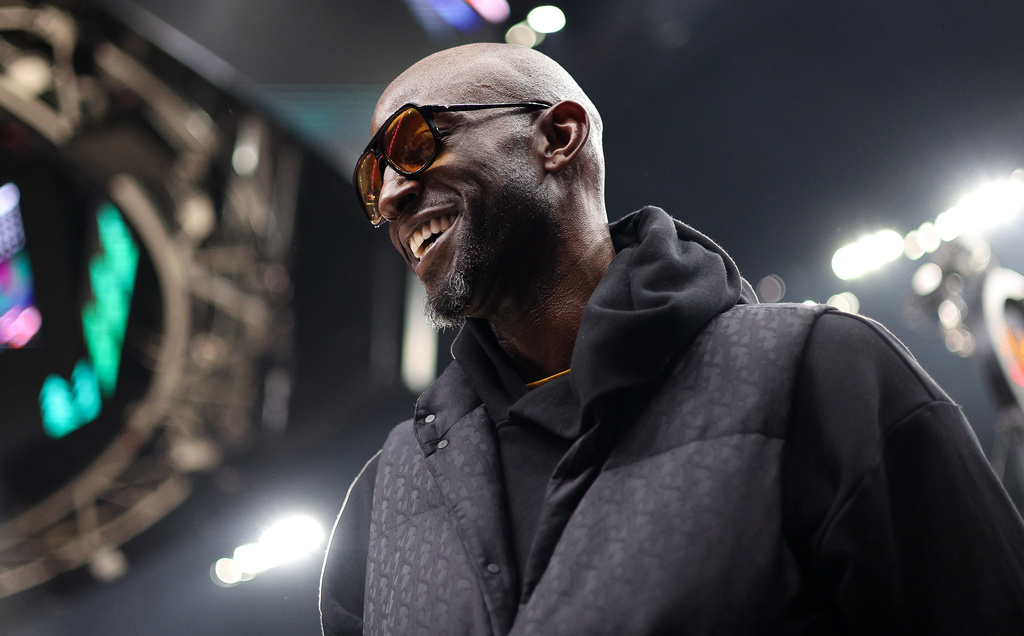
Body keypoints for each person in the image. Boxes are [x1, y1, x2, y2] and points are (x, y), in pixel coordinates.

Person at [319, 43, 1024, 635]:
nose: (388, 196)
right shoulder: (387, 493)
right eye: (373, 176)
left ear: (558, 138)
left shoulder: (823, 374)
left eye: (415, 142)